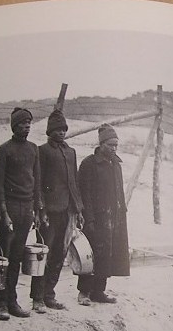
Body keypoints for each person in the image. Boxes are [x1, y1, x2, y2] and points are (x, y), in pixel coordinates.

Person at [0, 107, 43, 319]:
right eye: (23, 123)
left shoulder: (33, 149)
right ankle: (1, 303)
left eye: (29, 123)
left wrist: (37, 210)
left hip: (27, 208)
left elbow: (37, 182)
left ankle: (12, 300)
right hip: (10, 208)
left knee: (16, 257)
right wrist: (4, 213)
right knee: (4, 256)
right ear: (14, 126)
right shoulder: (4, 150)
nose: (27, 126)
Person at [32, 108, 83, 312]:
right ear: (49, 131)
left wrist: (78, 209)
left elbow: (74, 182)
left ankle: (49, 294)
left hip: (66, 211)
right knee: (44, 253)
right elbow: (38, 182)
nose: (61, 132)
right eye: (57, 129)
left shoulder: (71, 152)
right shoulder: (42, 151)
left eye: (63, 129)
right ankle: (37, 297)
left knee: (60, 254)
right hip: (49, 213)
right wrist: (41, 210)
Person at [76, 124, 129, 305]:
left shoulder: (116, 165)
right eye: (110, 145)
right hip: (95, 218)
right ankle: (83, 292)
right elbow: (85, 193)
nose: (114, 149)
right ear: (101, 144)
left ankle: (99, 291)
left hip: (112, 217)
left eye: (116, 145)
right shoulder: (89, 164)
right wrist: (88, 219)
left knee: (107, 254)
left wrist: (121, 213)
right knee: (90, 254)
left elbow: (119, 191)